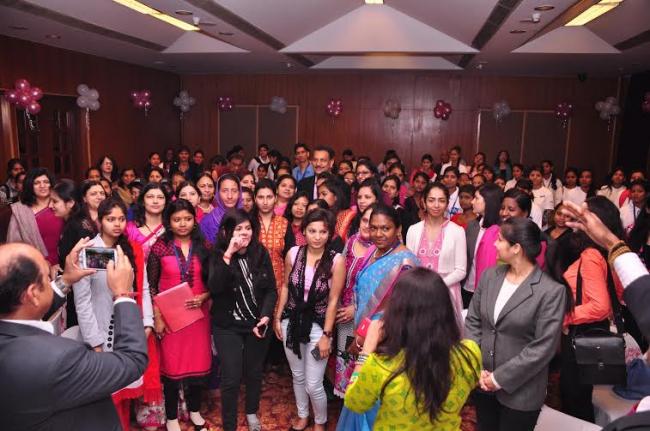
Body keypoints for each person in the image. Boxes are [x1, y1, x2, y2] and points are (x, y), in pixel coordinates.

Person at [0, 239, 147, 431]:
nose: (51, 279)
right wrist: (123, 295)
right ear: (33, 294)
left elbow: (23, 309)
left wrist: (66, 280)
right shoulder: (59, 359)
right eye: (47, 277)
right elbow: (132, 360)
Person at [344, 268, 481, 430]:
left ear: (397, 312)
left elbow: (354, 402)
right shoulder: (469, 353)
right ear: (445, 308)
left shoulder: (381, 365)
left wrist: (366, 351)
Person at [465, 217, 567, 431]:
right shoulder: (490, 276)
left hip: (521, 393)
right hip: (482, 381)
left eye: (500, 240)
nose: (494, 244)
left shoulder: (550, 291)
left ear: (516, 248)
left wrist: (499, 378)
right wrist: (477, 366)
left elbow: (543, 347)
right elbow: (474, 320)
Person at [72, 198, 162, 430]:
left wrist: (148, 322)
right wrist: (94, 341)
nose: (117, 224)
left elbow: (143, 288)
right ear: (100, 221)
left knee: (125, 385)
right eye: (110, 219)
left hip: (128, 325)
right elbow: (82, 302)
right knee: (107, 394)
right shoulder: (89, 251)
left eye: (121, 219)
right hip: (101, 328)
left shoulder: (130, 249)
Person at [337, 203, 419, 431]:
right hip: (363, 335)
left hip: (387, 344)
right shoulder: (373, 251)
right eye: (374, 228)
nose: (378, 234)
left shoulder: (406, 264)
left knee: (375, 402)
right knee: (360, 396)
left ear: (398, 229)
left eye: (385, 228)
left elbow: (395, 312)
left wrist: (363, 340)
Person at [273, 209, 345, 431]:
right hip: (292, 321)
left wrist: (327, 336)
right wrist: (278, 317)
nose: (317, 236)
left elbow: (333, 301)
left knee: (314, 383)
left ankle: (320, 422)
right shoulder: (293, 254)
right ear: (303, 231)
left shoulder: (336, 260)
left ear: (329, 234)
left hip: (319, 326)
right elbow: (286, 287)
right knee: (298, 376)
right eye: (312, 231)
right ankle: (303, 416)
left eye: (323, 232)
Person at [205, 209, 277, 431]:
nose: (245, 233)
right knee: (231, 377)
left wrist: (265, 316)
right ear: (227, 232)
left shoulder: (260, 252)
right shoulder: (217, 255)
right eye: (238, 229)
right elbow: (215, 287)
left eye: (248, 228)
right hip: (227, 326)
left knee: (254, 372)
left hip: (256, 323)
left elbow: (271, 290)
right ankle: (229, 424)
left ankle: (251, 412)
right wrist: (229, 254)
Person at [560, 196, 625, 422]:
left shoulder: (590, 255)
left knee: (575, 399)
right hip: (596, 331)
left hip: (581, 333)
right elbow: (617, 295)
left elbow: (600, 306)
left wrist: (564, 318)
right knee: (584, 396)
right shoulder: (611, 252)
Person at [148, 199, 211, 431]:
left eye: (187, 219)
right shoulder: (160, 247)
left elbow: (214, 280)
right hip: (170, 318)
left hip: (199, 316)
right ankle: (172, 418)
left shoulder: (204, 245)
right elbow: (151, 285)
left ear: (194, 220)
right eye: (177, 219)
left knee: (197, 365)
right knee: (172, 368)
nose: (182, 224)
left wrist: (205, 296)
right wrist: (157, 317)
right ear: (169, 221)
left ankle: (194, 411)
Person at [406, 182, 467, 319]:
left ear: (447, 204)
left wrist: (436, 286)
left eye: (441, 200)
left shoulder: (457, 231)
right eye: (431, 200)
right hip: (418, 292)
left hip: (446, 292)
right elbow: (409, 266)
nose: (436, 205)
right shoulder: (413, 230)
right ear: (424, 202)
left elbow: (461, 270)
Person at [334, 205, 375, 398]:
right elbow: (339, 274)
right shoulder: (351, 241)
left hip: (369, 316)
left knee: (363, 360)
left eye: (373, 223)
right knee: (345, 357)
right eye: (365, 220)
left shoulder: (381, 250)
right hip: (345, 314)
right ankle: (347, 403)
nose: (367, 225)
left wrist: (356, 308)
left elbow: (381, 288)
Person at [8, 167, 64, 268]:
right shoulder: (21, 211)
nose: (42, 186)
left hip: (63, 261)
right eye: (37, 183)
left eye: (46, 182)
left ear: (51, 184)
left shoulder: (61, 205)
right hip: (33, 265)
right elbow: (14, 244)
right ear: (30, 186)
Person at [462, 183, 503, 308]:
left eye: (476, 198)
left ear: (489, 202)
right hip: (467, 287)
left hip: (490, 291)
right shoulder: (472, 226)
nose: (472, 202)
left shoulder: (502, 231)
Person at [254, 179, 295, 296]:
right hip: (253, 283)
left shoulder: (284, 223)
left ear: (275, 198)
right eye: (261, 197)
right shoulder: (248, 223)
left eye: (269, 197)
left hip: (279, 283)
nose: (265, 202)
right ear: (255, 198)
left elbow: (291, 255)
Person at [126, 182, 167, 258]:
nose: (155, 201)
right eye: (150, 197)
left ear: (166, 202)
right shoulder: (130, 228)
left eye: (160, 197)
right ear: (143, 201)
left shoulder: (170, 229)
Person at [200, 173, 241, 244]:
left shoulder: (246, 218)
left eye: (234, 191)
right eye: (225, 191)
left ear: (239, 193)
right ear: (218, 193)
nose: (230, 196)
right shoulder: (208, 221)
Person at [318, 178, 356, 243]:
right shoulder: (323, 214)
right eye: (319, 194)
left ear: (336, 196)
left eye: (324, 194)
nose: (320, 198)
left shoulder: (350, 216)